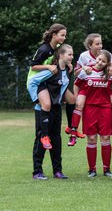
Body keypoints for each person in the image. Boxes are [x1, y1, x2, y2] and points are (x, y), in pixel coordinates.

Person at [68, 33, 112, 147]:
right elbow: (76, 73)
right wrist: (84, 68)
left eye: (101, 43)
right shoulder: (84, 56)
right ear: (90, 45)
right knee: (78, 104)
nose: (100, 46)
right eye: (97, 44)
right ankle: (73, 133)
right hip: (87, 87)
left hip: (104, 87)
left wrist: (111, 69)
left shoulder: (106, 55)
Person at [28, 44, 74, 179]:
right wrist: (38, 100)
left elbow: (63, 89)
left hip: (57, 108)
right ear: (61, 55)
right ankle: (37, 171)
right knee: (42, 138)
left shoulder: (67, 71)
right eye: (69, 54)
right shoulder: (51, 70)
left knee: (56, 140)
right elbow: (32, 81)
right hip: (43, 110)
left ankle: (57, 171)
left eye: (72, 54)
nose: (72, 57)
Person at [27, 24, 76, 149]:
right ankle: (44, 136)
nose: (64, 38)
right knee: (47, 105)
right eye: (62, 35)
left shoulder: (57, 47)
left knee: (72, 100)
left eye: (65, 35)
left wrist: (68, 63)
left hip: (52, 81)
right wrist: (48, 66)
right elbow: (33, 66)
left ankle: (71, 128)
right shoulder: (44, 49)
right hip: (38, 82)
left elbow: (60, 59)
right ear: (54, 35)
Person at [75, 50, 112, 178]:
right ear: (95, 58)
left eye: (103, 61)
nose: (100, 62)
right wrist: (78, 98)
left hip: (105, 108)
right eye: (98, 59)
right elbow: (76, 84)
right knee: (91, 138)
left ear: (107, 64)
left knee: (105, 138)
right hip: (89, 108)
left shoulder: (110, 74)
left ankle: (106, 169)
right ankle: (92, 169)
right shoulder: (86, 72)